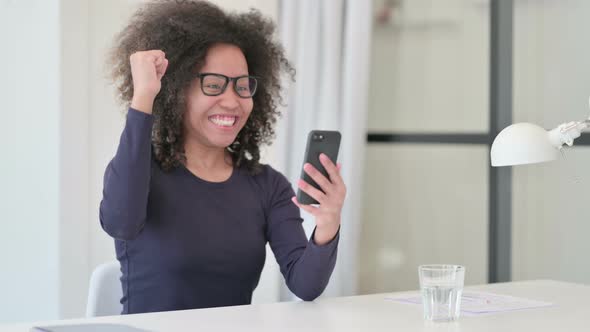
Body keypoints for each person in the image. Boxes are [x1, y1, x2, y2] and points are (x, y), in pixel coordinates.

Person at [99, 0, 347, 315]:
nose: (232, 101)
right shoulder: (141, 172)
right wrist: (144, 95)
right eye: (214, 85)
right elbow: (120, 222)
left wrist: (328, 223)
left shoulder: (268, 186)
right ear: (176, 91)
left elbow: (305, 285)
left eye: (243, 87)